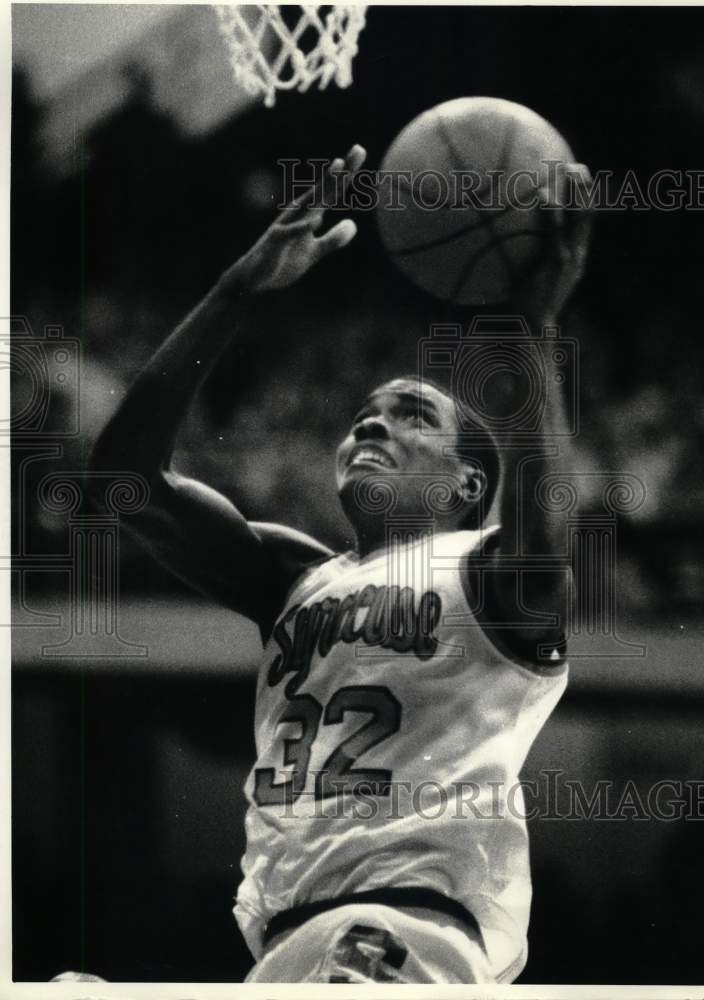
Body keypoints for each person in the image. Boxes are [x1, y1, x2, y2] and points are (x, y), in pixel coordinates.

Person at [89, 143, 592, 983]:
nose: (369, 424)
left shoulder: (488, 574)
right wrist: (237, 287)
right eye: (362, 413)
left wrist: (532, 326)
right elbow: (123, 482)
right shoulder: (294, 576)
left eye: (409, 415)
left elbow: (545, 533)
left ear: (470, 483)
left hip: (406, 930)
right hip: (285, 946)